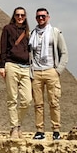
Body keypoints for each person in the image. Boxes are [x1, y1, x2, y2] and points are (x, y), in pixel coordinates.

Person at [29, 8, 68, 140]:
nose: (41, 18)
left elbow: (64, 53)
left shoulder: (55, 32)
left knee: (54, 102)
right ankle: (40, 131)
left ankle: (56, 130)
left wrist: (58, 71)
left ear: (48, 17)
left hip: (51, 71)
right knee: (38, 104)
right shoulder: (32, 34)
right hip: (36, 72)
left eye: (43, 16)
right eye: (38, 17)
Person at [0, 6, 32, 139]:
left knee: (27, 100)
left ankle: (17, 124)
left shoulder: (28, 32)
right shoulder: (7, 29)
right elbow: (3, 48)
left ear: (25, 17)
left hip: (25, 67)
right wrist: (2, 66)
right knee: (12, 99)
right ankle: (14, 128)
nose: (20, 17)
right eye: (18, 15)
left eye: (22, 15)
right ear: (14, 16)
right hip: (11, 65)